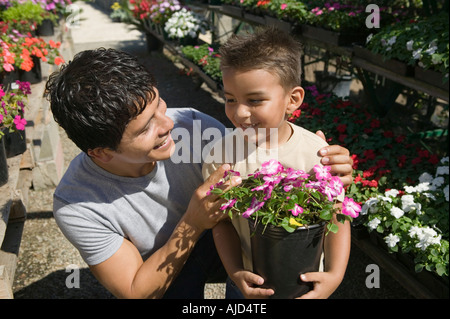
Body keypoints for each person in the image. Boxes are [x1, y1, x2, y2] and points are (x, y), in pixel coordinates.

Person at [45, 47, 353, 299]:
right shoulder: (77, 204)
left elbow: (265, 162)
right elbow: (136, 291)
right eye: (145, 128)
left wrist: (327, 168)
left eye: (159, 106)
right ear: (101, 152)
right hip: (163, 256)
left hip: (229, 234)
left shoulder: (194, 126)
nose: (168, 125)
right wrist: (193, 221)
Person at [202, 27, 351, 299]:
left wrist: (334, 275)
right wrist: (236, 272)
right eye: (230, 99)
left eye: (255, 100)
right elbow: (221, 222)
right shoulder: (220, 157)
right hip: (249, 286)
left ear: (292, 100)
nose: (240, 113)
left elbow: (337, 215)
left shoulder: (317, 153)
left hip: (305, 283)